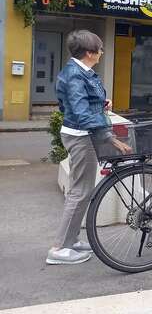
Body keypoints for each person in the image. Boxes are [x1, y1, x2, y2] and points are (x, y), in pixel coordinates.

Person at [48, 30, 130, 265]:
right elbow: (79, 113)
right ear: (90, 53)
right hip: (81, 137)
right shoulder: (75, 75)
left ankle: (70, 241)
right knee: (79, 192)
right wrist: (110, 138)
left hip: (80, 134)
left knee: (81, 191)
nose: (102, 53)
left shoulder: (79, 72)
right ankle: (60, 248)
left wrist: (100, 104)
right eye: (100, 50)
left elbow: (71, 106)